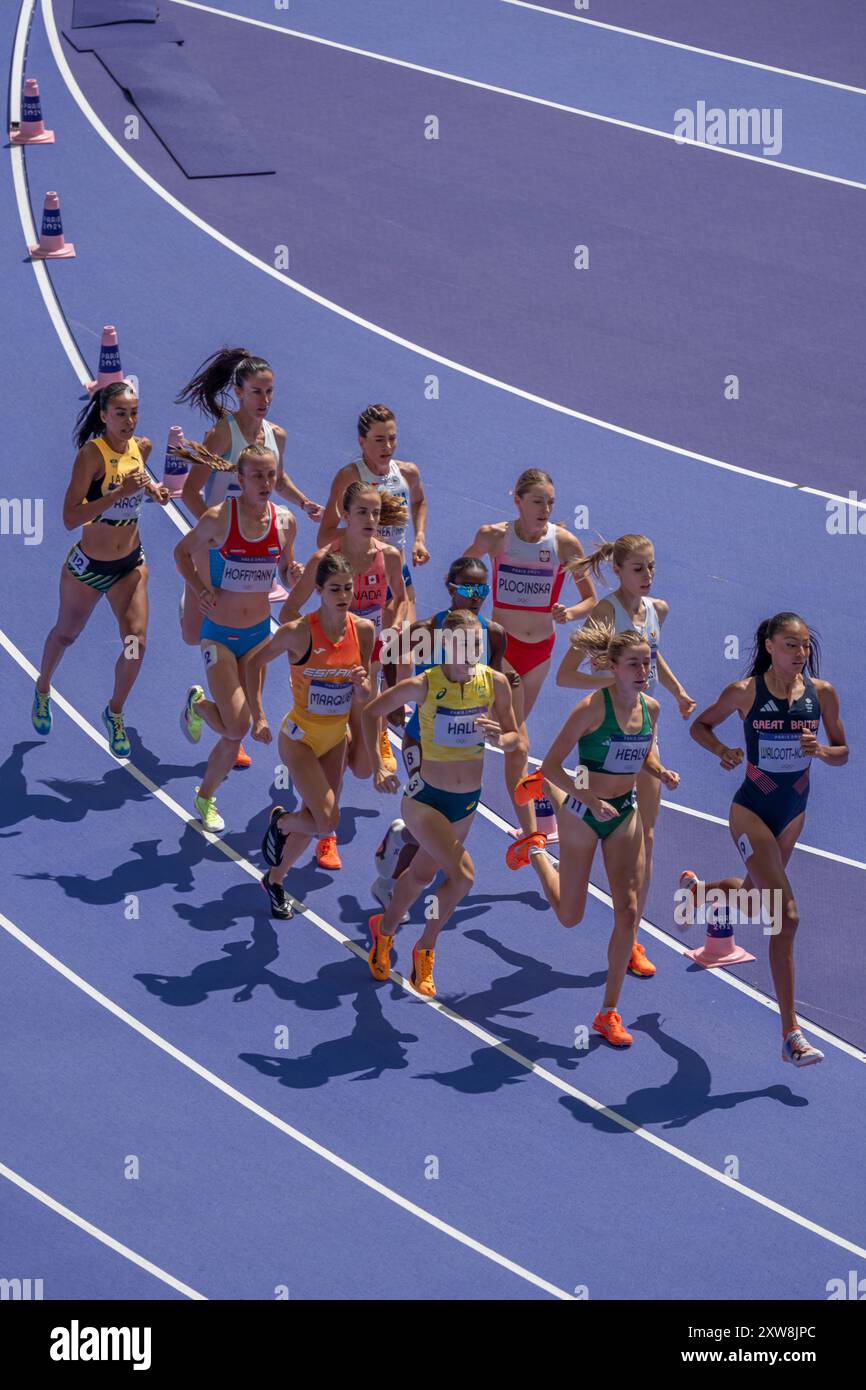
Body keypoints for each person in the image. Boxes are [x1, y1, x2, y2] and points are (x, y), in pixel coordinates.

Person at [684, 613, 847, 1067]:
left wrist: (823, 752)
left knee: (757, 900)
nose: (800, 653)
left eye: (804, 646)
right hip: (751, 811)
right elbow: (701, 726)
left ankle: (700, 893)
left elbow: (843, 752)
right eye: (791, 645)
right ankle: (791, 1034)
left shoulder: (823, 694)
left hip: (793, 815)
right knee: (786, 917)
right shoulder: (745, 693)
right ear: (770, 646)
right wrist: (722, 751)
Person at [515, 629, 679, 1048]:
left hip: (623, 812)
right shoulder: (590, 709)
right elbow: (552, 764)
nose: (644, 672)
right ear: (612, 668)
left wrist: (660, 773)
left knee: (627, 912)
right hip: (584, 812)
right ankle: (535, 848)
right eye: (634, 665)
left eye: (648, 663)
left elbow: (644, 751)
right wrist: (586, 797)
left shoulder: (652, 709)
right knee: (570, 916)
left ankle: (608, 1012)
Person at [175, 346, 323, 768]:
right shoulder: (223, 434)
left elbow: (278, 479)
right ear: (239, 392)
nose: (265, 399)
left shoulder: (277, 436)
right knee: (192, 633)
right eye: (257, 391)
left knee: (243, 642)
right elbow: (189, 489)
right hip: (218, 545)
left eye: (270, 391)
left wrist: (303, 501)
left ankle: (231, 727)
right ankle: (212, 705)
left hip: (254, 547)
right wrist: (217, 532)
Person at [360, 610, 521, 998]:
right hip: (425, 799)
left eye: (477, 647)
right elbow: (370, 712)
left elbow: (518, 740)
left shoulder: (495, 684)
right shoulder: (424, 685)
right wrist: (380, 765)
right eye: (463, 646)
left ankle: (384, 931)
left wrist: (505, 738)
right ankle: (426, 947)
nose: (471, 655)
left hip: (466, 803)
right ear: (445, 646)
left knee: (419, 877)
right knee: (463, 877)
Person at [371, 555, 529, 913]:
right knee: (429, 810)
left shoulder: (492, 634)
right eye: (469, 588)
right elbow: (391, 654)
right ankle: (389, 885)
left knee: (433, 832)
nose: (477, 596)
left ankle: (402, 838)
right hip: (421, 740)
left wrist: (507, 688)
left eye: (483, 589)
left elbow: (492, 676)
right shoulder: (429, 630)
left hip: (465, 747)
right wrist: (394, 694)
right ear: (451, 588)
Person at [554, 533, 695, 927]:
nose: (648, 575)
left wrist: (679, 691)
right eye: (638, 568)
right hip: (603, 732)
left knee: (647, 838)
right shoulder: (604, 612)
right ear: (617, 571)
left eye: (651, 567)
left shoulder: (657, 610)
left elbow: (653, 657)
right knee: (596, 820)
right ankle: (548, 812)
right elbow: (565, 676)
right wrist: (612, 684)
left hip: (642, 730)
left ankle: (632, 934)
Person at [464, 467, 596, 863]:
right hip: (500, 648)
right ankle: (536, 821)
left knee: (514, 740)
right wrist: (469, 609)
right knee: (512, 739)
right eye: (537, 501)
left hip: (538, 651)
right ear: (517, 500)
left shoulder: (565, 544)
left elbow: (590, 598)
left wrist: (568, 612)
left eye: (550, 502)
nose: (544, 508)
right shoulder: (494, 536)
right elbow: (462, 577)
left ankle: (536, 824)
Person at [32, 382, 169, 756]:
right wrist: (116, 494)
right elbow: (69, 517)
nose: (129, 420)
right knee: (66, 635)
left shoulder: (142, 448)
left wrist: (156, 493)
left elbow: (140, 489)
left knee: (135, 644)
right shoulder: (91, 455)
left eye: (134, 412)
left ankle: (115, 711)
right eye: (121, 413)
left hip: (130, 564)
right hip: (90, 567)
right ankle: (43, 686)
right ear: (105, 415)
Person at [174, 444, 299, 832]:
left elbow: (283, 566)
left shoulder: (284, 522)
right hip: (220, 636)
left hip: (259, 635)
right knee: (237, 726)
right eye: (257, 476)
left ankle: (203, 785)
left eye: (271, 475)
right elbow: (181, 553)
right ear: (240, 480)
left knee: (237, 728)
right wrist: (199, 589)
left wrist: (292, 573)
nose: (265, 483)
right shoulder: (218, 519)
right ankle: (205, 786)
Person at [283, 481, 407, 864]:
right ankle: (327, 834)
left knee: (364, 766)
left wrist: (393, 626)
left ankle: (373, 730)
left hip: (364, 663)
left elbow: (400, 598)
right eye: (363, 513)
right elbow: (289, 611)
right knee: (334, 761)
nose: (371, 520)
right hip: (326, 670)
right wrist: (312, 648)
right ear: (345, 514)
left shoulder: (389, 557)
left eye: (376, 513)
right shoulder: (326, 559)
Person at [248, 554, 375, 918]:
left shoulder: (362, 631)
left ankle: (274, 879)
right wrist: (258, 715)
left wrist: (363, 689)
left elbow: (363, 694)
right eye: (334, 588)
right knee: (328, 821)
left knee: (317, 817)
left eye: (348, 588)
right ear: (318, 591)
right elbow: (256, 662)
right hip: (300, 737)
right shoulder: (298, 631)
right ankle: (281, 823)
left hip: (336, 737)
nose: (343, 595)